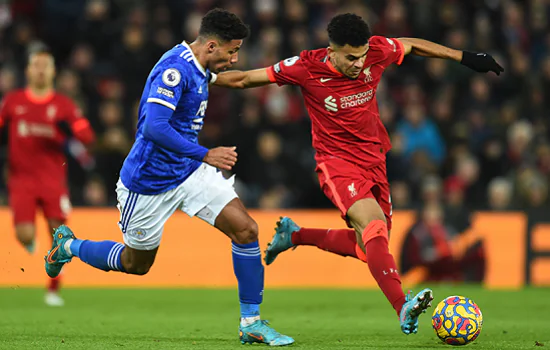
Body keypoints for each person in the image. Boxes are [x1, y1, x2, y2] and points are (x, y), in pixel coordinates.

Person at [214, 13, 503, 335]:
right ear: (331, 50)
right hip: (336, 163)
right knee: (374, 227)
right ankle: (401, 305)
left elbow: (410, 46)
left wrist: (464, 58)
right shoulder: (305, 67)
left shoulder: (376, 52)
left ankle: (296, 235)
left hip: (375, 160)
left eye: (363, 55)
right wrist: (202, 77)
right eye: (351, 57)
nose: (359, 63)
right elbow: (244, 79)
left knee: (372, 249)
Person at [43, 9, 293, 346]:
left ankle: (251, 322)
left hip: (188, 172)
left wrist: (289, 72)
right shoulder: (175, 70)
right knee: (136, 264)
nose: (235, 59)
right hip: (148, 183)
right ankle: (68, 246)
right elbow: (154, 127)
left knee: (246, 229)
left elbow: (240, 80)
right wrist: (205, 153)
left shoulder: (201, 65)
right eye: (232, 51)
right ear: (212, 46)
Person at [0, 49, 95, 306]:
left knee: (60, 238)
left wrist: (71, 130)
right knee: (24, 234)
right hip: (21, 179)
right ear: (28, 70)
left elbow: (87, 137)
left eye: (46, 65)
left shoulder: (63, 105)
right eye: (36, 65)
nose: (41, 69)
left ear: (53, 72)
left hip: (53, 180)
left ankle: (53, 289)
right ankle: (30, 243)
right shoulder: (12, 101)